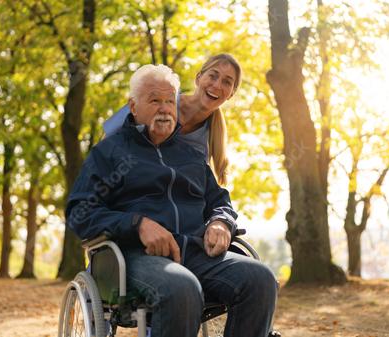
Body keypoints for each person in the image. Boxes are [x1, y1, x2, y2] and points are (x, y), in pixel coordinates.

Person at [66, 64, 278, 337]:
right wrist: (137, 224)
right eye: (154, 100)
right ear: (133, 107)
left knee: (260, 279)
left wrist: (221, 222)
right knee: (181, 286)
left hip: (194, 252)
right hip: (133, 257)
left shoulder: (190, 157)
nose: (164, 108)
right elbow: (80, 213)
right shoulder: (109, 153)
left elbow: (219, 200)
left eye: (169, 101)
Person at [102, 53, 241, 185]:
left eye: (227, 82)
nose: (217, 85)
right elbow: (106, 140)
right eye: (213, 76)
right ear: (198, 78)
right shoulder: (158, 97)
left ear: (231, 94)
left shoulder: (206, 142)